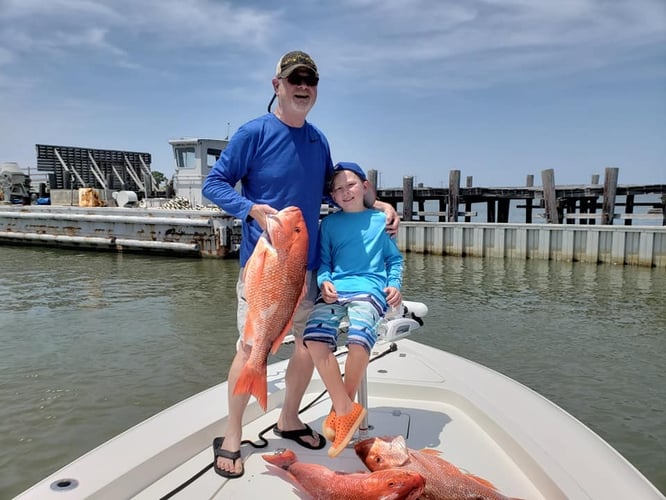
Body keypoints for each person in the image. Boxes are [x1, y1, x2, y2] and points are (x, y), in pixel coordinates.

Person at [201, 51, 399, 478]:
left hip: (307, 269)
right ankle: (233, 434)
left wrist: (377, 202)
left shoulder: (318, 140)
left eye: (310, 80)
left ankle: (289, 418)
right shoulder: (254, 132)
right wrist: (250, 209)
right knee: (251, 348)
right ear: (277, 85)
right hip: (267, 268)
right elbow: (213, 184)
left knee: (308, 346)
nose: (303, 86)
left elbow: (335, 194)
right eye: (295, 79)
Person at [303, 161, 404, 458]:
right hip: (336, 290)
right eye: (337, 189)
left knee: (359, 337)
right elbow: (325, 263)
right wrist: (324, 282)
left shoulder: (379, 221)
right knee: (313, 339)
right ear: (331, 196)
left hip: (371, 289)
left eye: (350, 185)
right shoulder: (329, 225)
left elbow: (393, 261)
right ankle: (348, 410)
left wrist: (395, 285)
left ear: (365, 187)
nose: (344, 191)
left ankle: (342, 407)